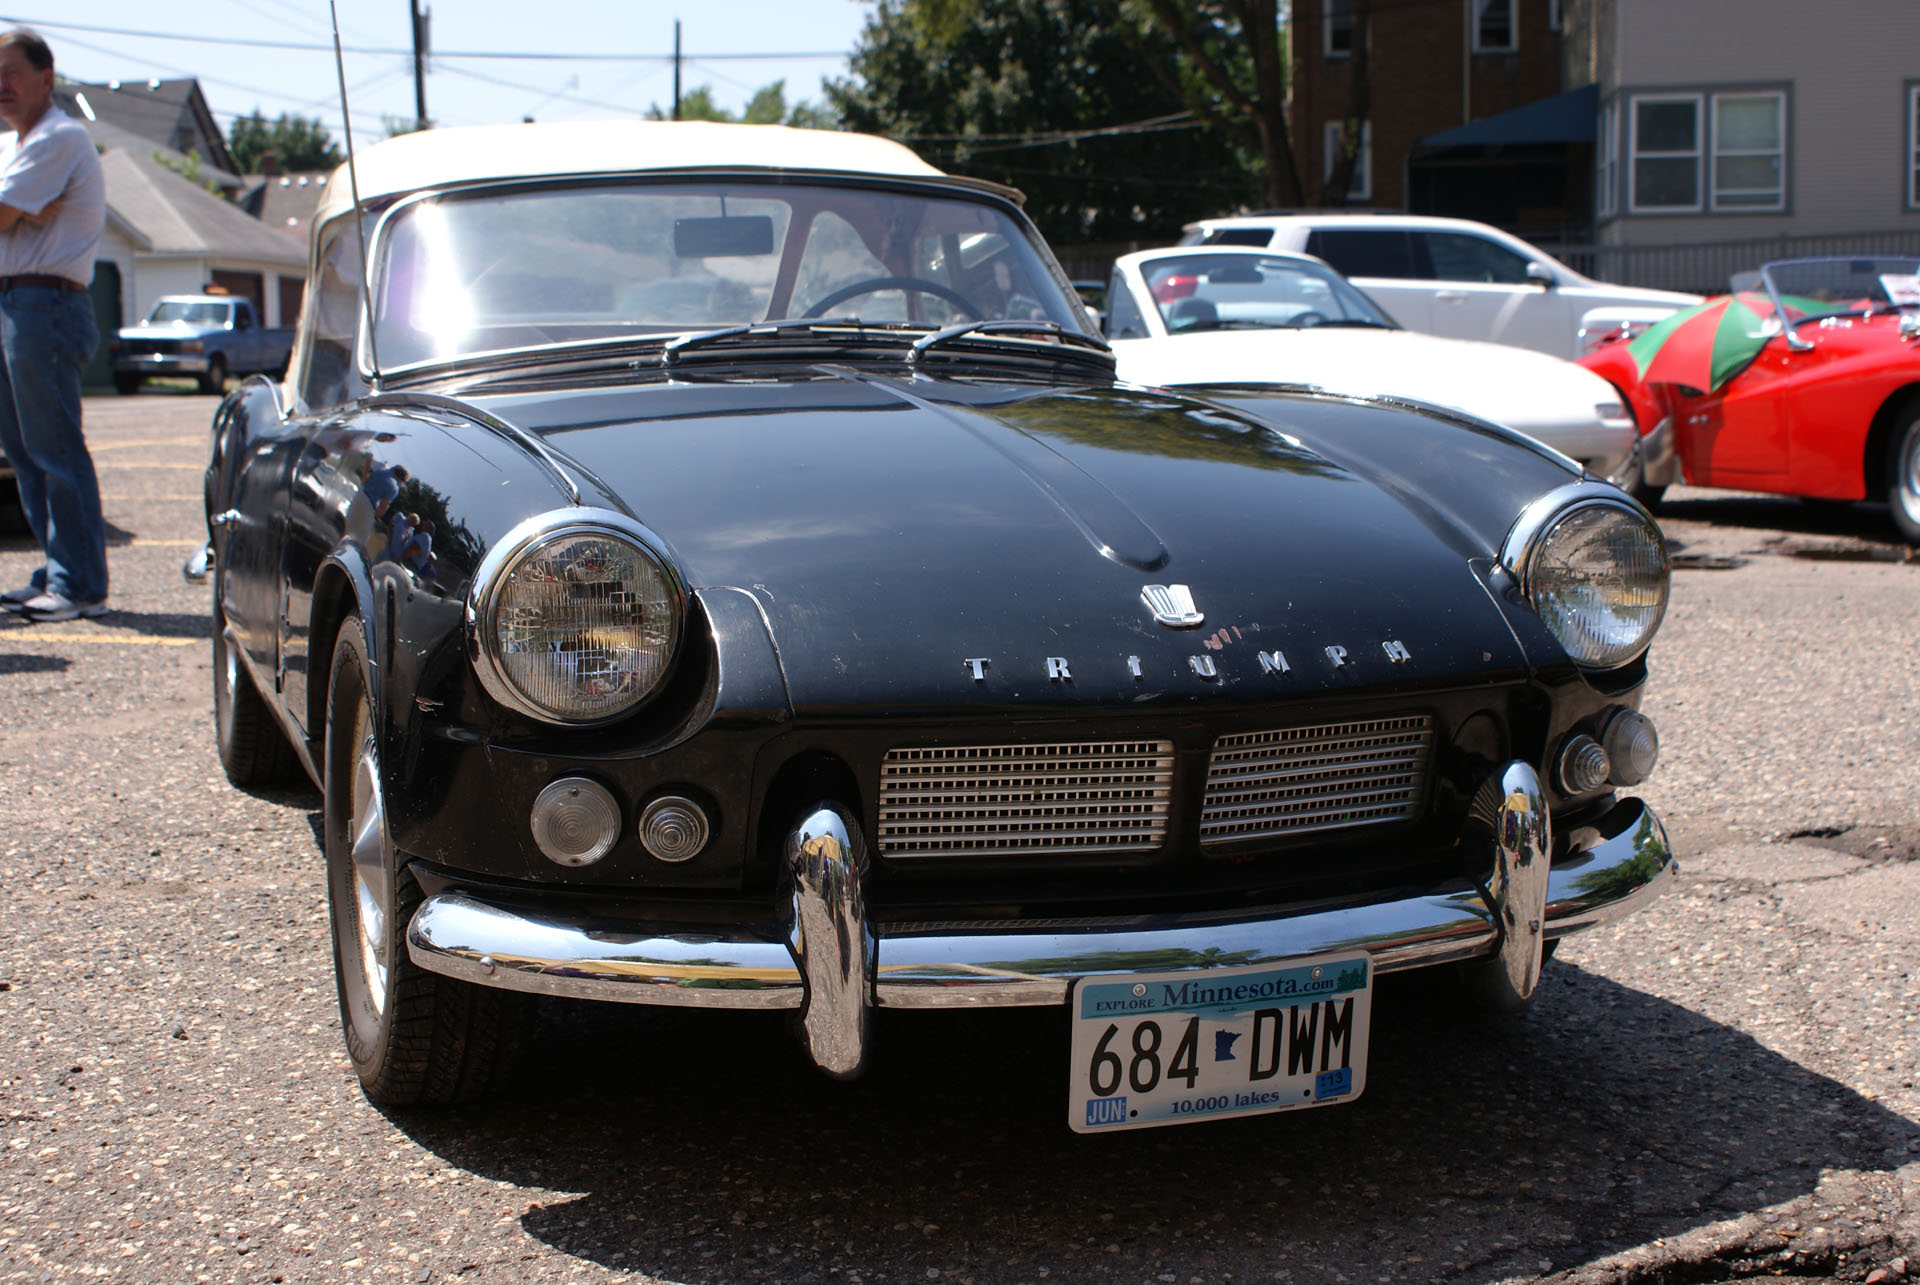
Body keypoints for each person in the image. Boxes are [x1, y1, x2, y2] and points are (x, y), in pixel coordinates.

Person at [0, 28, 108, 622]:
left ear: (46, 76)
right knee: (22, 449)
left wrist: (13, 212)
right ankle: (54, 570)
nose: (2, 85)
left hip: (45, 303)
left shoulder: (61, 136)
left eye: (11, 71)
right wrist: (16, 209)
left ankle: (80, 584)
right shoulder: (11, 146)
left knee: (54, 447)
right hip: (12, 303)